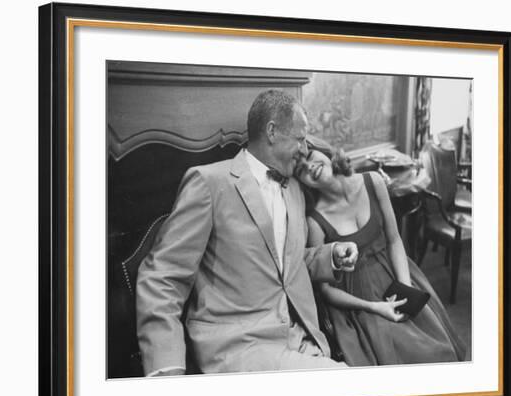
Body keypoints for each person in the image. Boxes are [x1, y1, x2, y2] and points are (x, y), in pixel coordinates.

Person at [136, 90, 358, 376]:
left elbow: (285, 263)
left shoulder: (294, 189)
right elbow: (162, 277)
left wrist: (330, 257)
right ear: (272, 132)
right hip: (239, 346)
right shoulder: (209, 183)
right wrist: (165, 369)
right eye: (300, 139)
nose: (305, 149)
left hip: (300, 338)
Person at [295, 147, 466, 365]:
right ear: (303, 183)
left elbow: (394, 240)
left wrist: (406, 291)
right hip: (357, 300)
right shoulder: (315, 221)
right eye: (301, 170)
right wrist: (375, 307)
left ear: (325, 154)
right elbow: (326, 290)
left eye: (310, 156)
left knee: (437, 350)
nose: (310, 166)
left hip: (395, 275)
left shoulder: (373, 181)